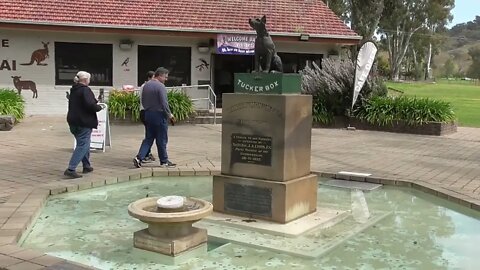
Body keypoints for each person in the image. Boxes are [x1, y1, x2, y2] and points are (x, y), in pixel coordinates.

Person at [133, 67, 176, 168]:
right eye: (165, 77)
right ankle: (164, 161)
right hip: (159, 115)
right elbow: (164, 103)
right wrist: (170, 115)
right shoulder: (160, 86)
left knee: (148, 138)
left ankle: (139, 157)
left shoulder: (146, 85)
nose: (166, 79)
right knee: (161, 139)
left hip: (148, 114)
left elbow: (143, 101)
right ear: (160, 75)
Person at [64, 71, 104, 179]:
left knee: (83, 142)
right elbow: (90, 105)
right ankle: (71, 168)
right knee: (83, 145)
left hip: (73, 121)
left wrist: (95, 101)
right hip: (83, 122)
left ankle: (86, 165)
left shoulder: (74, 90)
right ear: (86, 80)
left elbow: (84, 103)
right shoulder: (85, 90)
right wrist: (99, 107)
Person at [139, 71, 155, 162]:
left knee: (149, 134)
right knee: (150, 135)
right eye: (153, 78)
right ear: (149, 78)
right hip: (146, 112)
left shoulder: (144, 86)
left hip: (144, 112)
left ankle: (147, 153)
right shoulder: (147, 87)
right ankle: (144, 154)